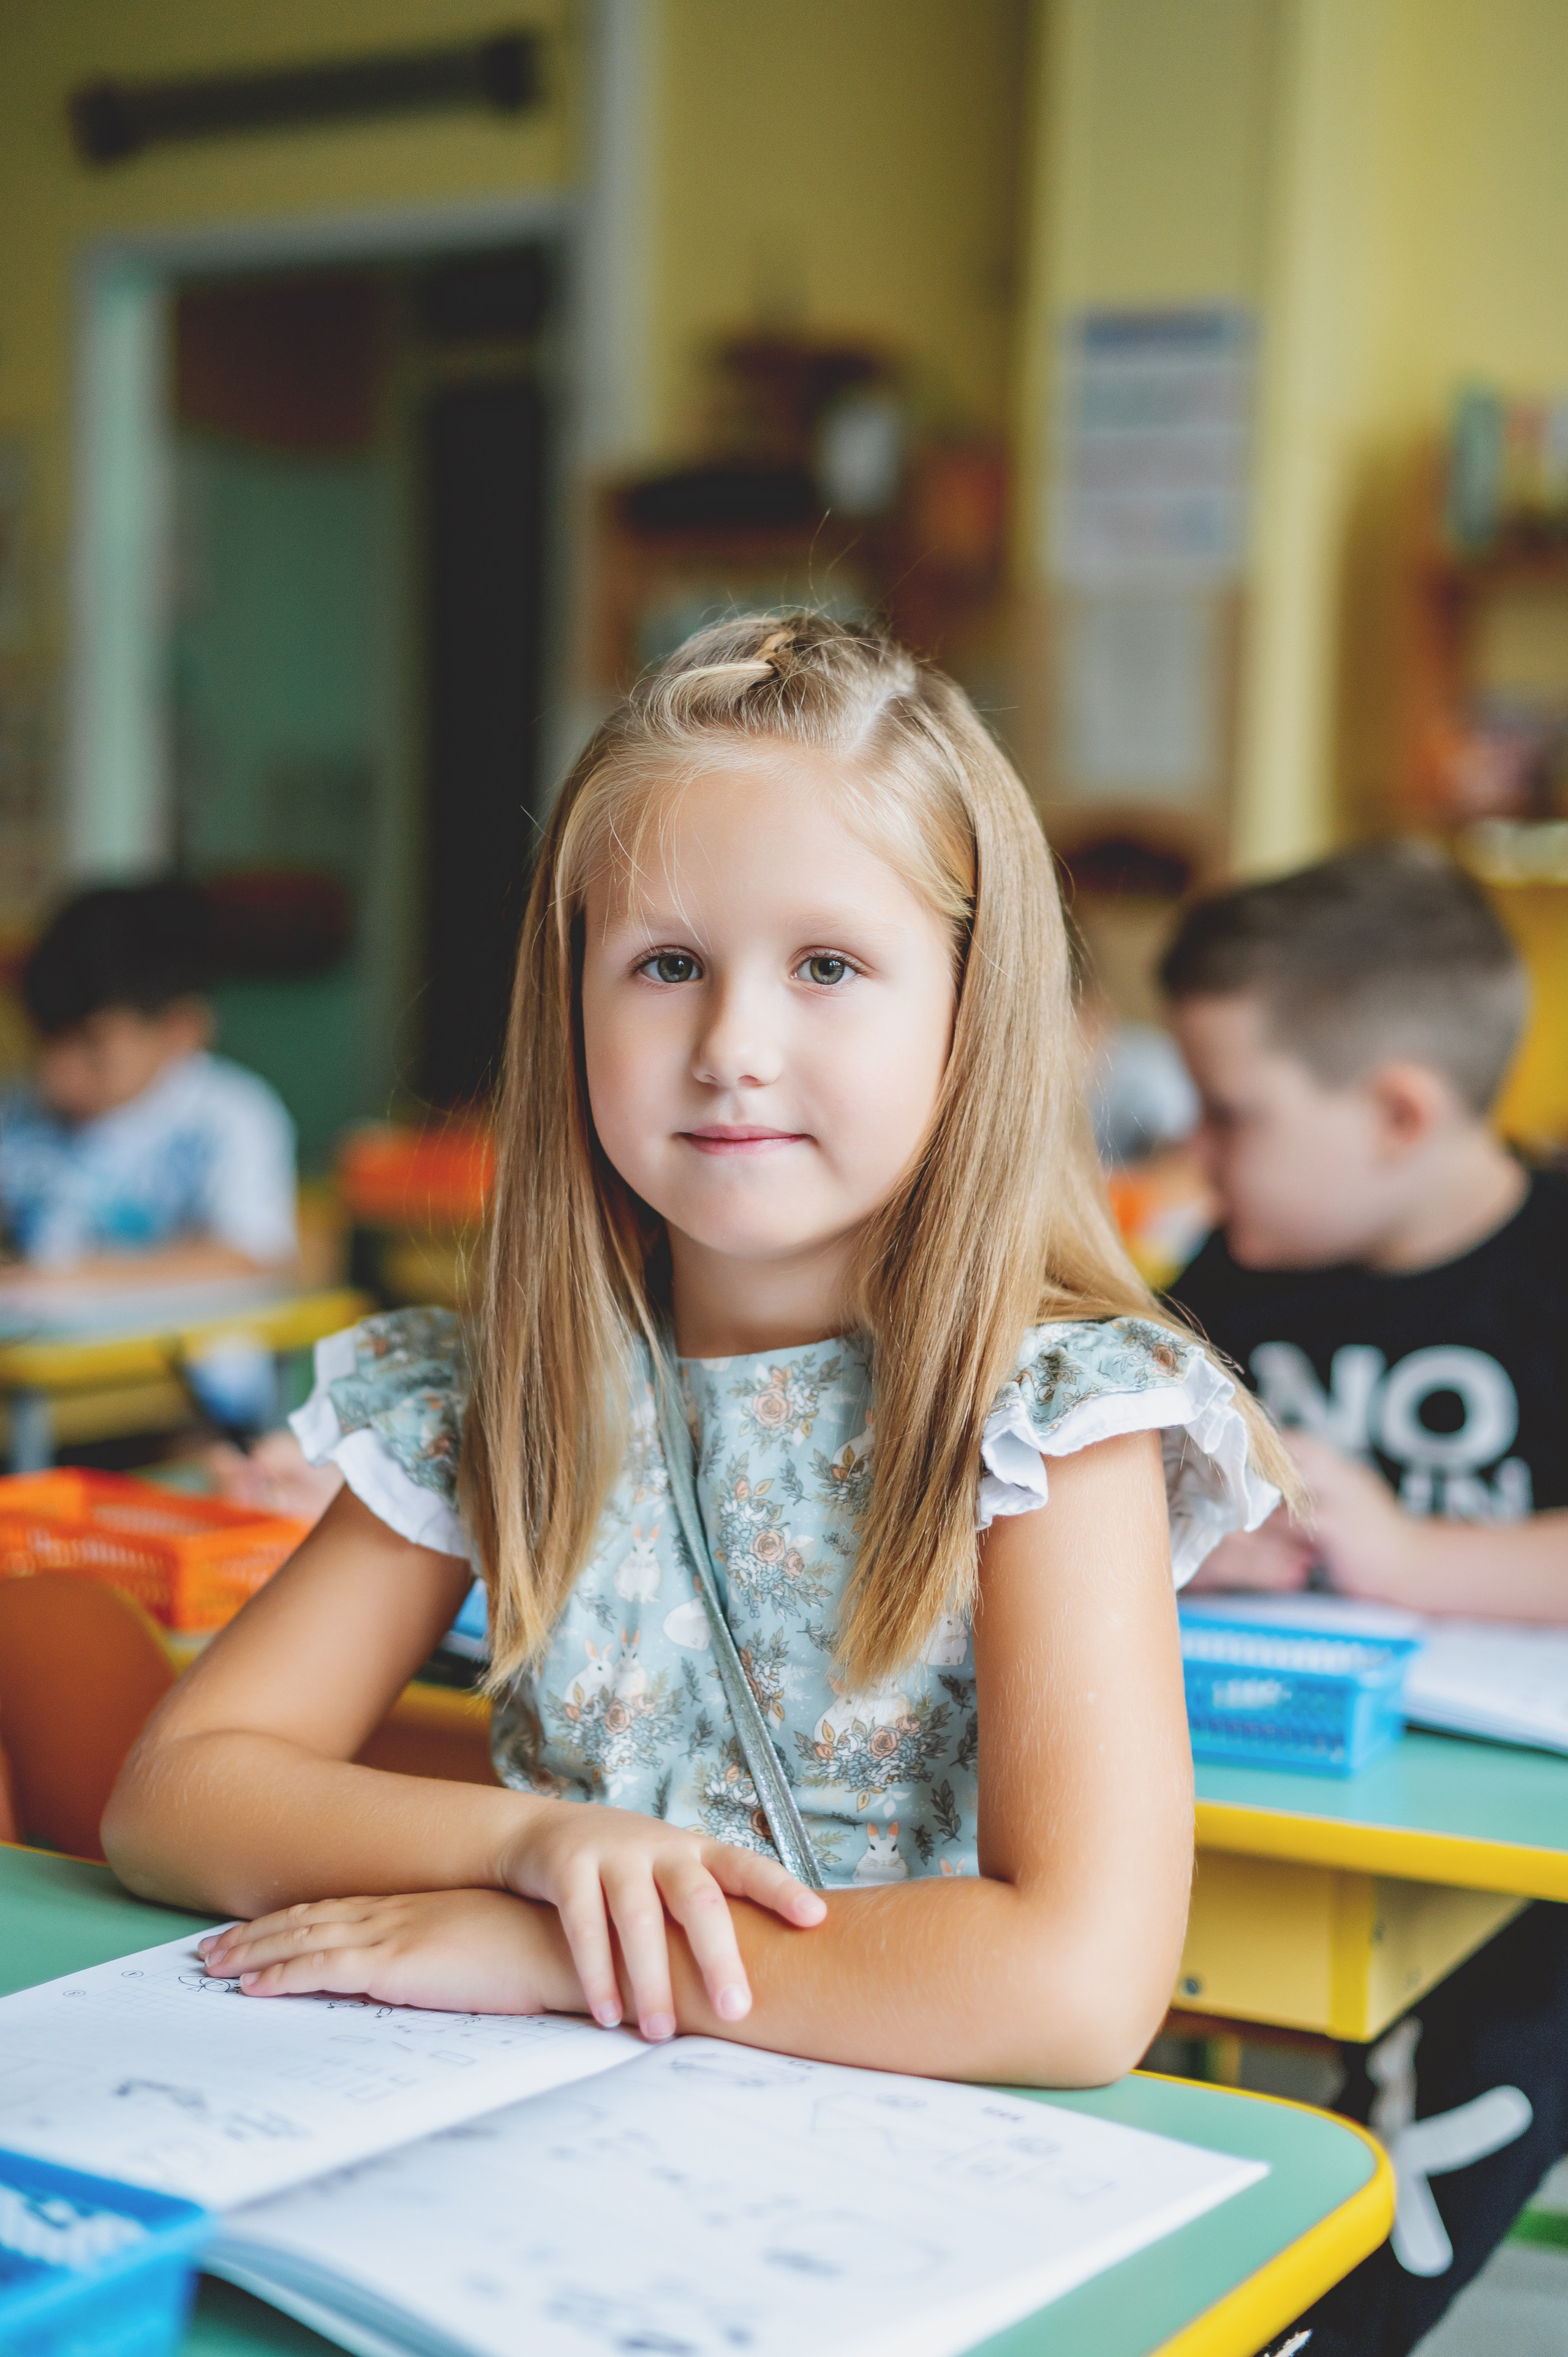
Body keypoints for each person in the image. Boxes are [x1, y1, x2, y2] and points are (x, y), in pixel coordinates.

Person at [105, 615, 1288, 2089]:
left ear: (970, 1014)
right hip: (551, 2131)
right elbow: (176, 1795)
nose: (732, 1039)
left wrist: (558, 1949)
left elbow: (1071, 1990)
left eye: (827, 964)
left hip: (911, 2163)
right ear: (571, 1001)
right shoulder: (498, 1386)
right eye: (665, 962)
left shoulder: (1054, 1413)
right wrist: (530, 1843)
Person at [1159, 839, 1568, 2357]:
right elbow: (1109, 1490)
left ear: (1396, 1110)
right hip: (1251, 1781)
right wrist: (1186, 1536)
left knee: (1524, 1999)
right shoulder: (1237, 1270)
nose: (1198, 1153)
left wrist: (1409, 1556)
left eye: (1232, 1112)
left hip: (1501, 1836)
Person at [0, 881, 298, 1292]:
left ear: (181, 1029)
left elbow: (252, 1259)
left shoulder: (231, 1116)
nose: (58, 1074)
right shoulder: (17, 1109)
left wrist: (63, 1282)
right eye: (47, 1039)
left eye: (92, 1046)